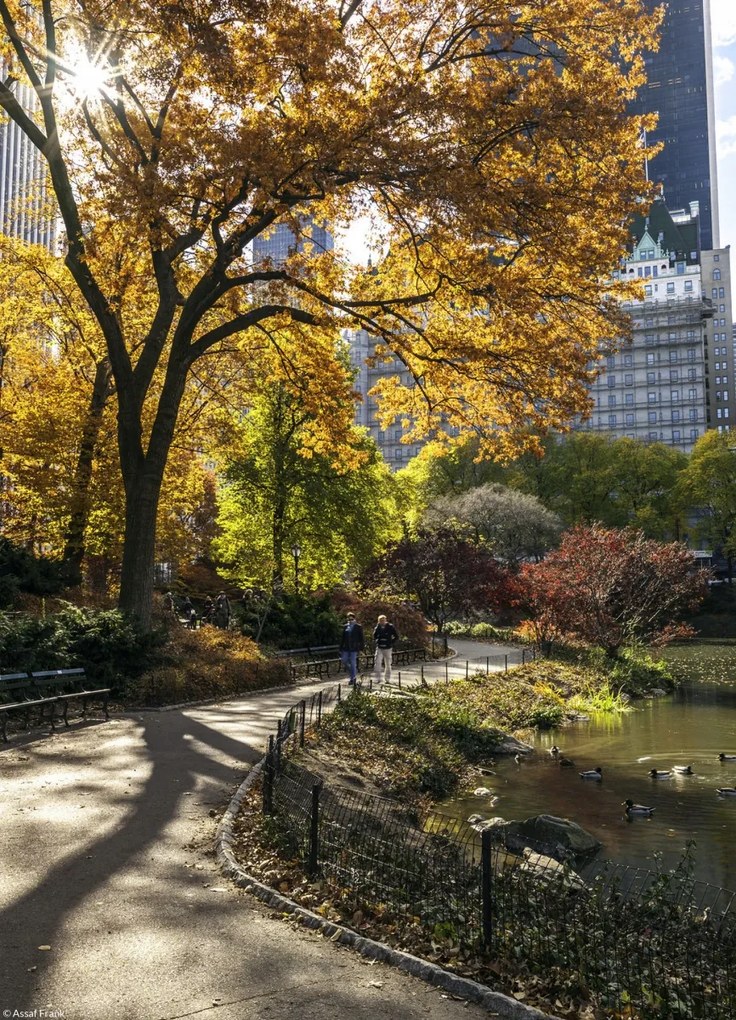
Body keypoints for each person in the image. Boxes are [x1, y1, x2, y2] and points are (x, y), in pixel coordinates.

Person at [373, 614, 399, 686]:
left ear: (385, 620)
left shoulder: (390, 627)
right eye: (381, 621)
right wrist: (377, 641)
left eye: (383, 620)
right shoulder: (377, 627)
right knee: (377, 662)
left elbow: (396, 636)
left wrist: (391, 642)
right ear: (379, 621)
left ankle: (387, 679)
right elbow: (374, 636)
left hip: (388, 648)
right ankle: (378, 678)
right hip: (380, 647)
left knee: (388, 663)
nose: (382, 622)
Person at [339, 612, 364, 685]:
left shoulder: (358, 627)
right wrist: (340, 648)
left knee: (353, 663)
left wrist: (361, 648)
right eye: (349, 618)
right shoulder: (345, 626)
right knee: (344, 660)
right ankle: (352, 673)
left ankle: (352, 678)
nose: (350, 620)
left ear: (354, 618)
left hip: (354, 648)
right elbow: (342, 638)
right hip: (346, 647)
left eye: (351, 618)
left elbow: (361, 638)